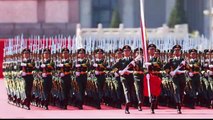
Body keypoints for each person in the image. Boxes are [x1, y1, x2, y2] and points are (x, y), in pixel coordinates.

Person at [164, 45, 187, 114]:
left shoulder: (183, 60)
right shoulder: (171, 60)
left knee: (181, 92)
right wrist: (170, 72)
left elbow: (188, 69)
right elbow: (165, 68)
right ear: (173, 52)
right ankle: (178, 106)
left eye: (178, 50)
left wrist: (183, 71)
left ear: (180, 52)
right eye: (175, 50)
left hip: (182, 78)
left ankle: (180, 103)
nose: (177, 51)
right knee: (176, 90)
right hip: (175, 78)